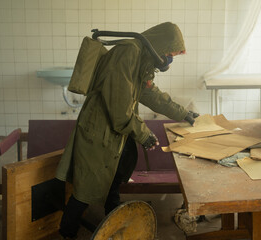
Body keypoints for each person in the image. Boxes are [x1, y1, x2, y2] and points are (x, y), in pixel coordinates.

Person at [55, 22, 199, 239]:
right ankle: (66, 233)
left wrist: (182, 113)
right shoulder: (128, 53)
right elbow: (119, 108)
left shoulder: (141, 57)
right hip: (99, 131)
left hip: (115, 132)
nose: (169, 59)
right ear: (159, 46)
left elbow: (149, 93)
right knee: (85, 191)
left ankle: (113, 227)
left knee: (113, 181)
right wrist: (143, 133)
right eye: (170, 54)